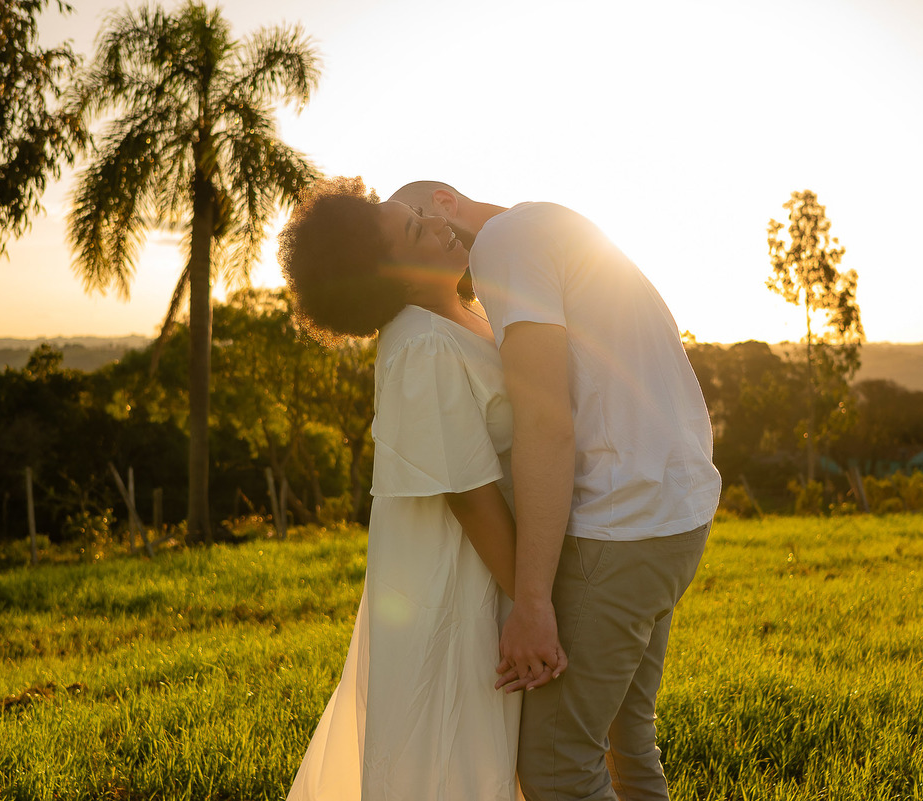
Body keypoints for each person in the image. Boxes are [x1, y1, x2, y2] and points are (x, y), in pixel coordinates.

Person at [387, 181, 721, 801]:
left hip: (622, 528)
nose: (422, 239)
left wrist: (532, 602)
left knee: (557, 769)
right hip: (677, 511)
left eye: (416, 221)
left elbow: (545, 421)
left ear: (444, 200)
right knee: (627, 733)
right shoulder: (548, 226)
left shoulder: (505, 246)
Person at [278, 177, 551, 801]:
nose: (437, 223)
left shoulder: (466, 313)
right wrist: (536, 609)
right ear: (390, 277)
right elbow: (470, 496)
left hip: (497, 571)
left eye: (420, 213)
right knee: (452, 759)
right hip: (459, 587)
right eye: (414, 228)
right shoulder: (420, 342)